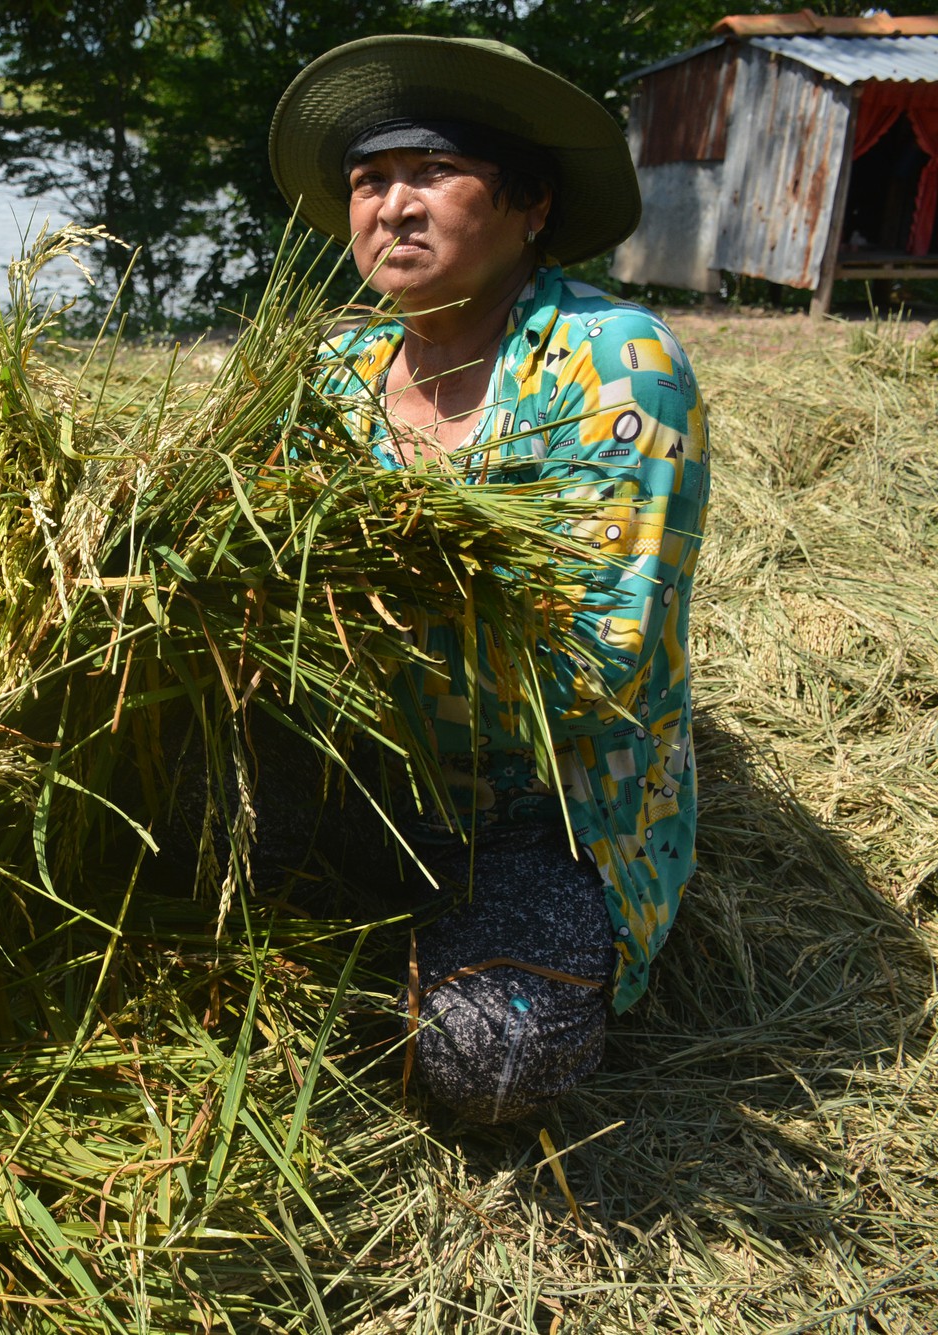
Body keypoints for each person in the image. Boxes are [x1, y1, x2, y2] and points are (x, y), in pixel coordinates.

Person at [261, 36, 711, 1122]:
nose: (391, 207)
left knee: (490, 1055)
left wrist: (349, 633)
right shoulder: (328, 375)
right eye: (369, 181)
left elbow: (593, 659)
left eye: (432, 174)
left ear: (529, 206)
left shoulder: (611, 366)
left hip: (537, 806)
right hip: (352, 766)